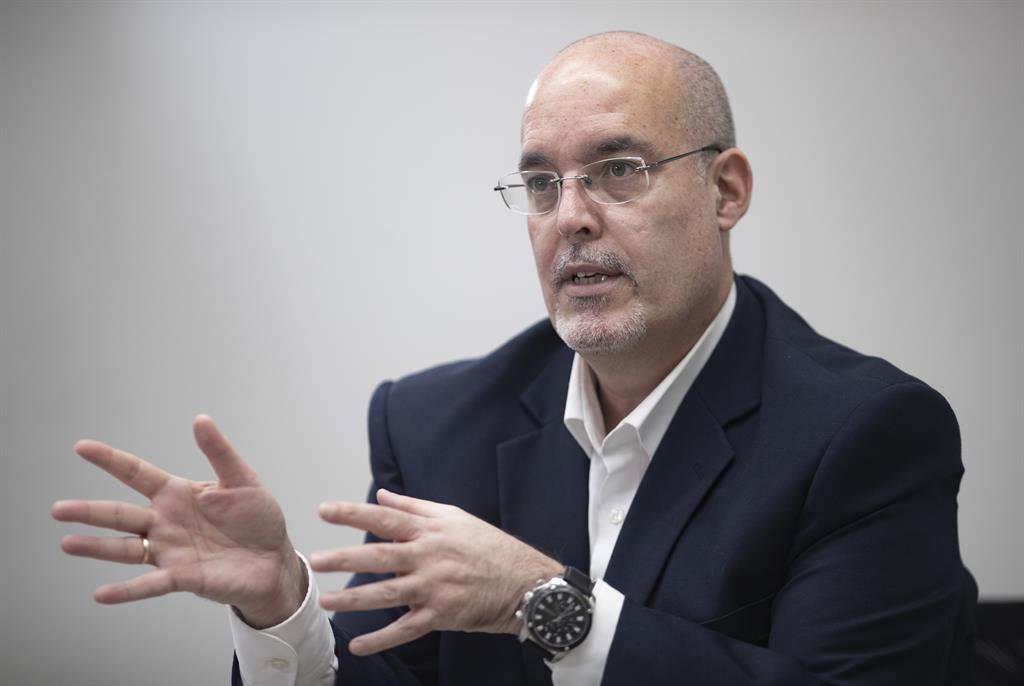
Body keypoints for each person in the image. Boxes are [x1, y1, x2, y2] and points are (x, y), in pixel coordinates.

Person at [53, 31, 975, 685]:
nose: (570, 217)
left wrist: (544, 603)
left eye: (619, 170)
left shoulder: (866, 434)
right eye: (541, 183)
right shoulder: (434, 426)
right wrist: (280, 605)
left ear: (725, 190)